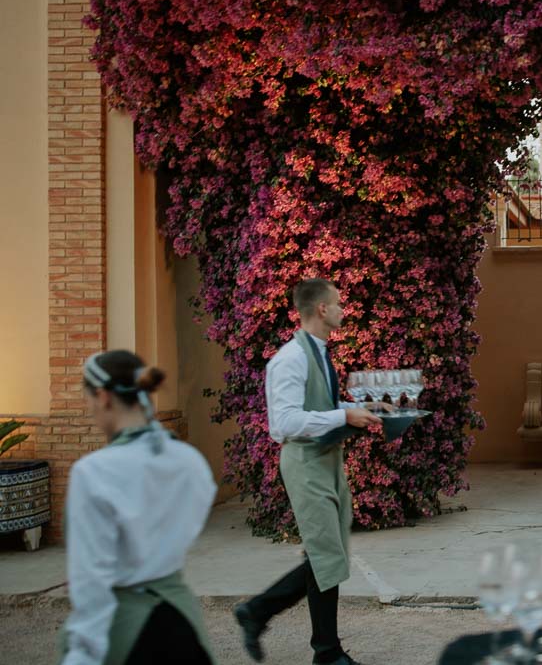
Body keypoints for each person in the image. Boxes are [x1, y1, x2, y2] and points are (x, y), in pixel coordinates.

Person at [233, 278, 381, 665]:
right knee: (325, 555)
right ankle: (319, 648)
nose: (342, 310)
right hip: (304, 462)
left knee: (328, 555)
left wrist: (355, 409)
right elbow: (282, 424)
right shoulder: (290, 358)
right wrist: (343, 414)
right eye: (338, 303)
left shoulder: (317, 352)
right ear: (321, 309)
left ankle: (310, 641)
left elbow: (320, 405)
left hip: (326, 458)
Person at [59, 350, 217, 665]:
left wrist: (81, 654)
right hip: (182, 625)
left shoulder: (93, 473)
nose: (89, 408)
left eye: (87, 399)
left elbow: (91, 579)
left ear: (103, 397)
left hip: (124, 631)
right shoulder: (189, 461)